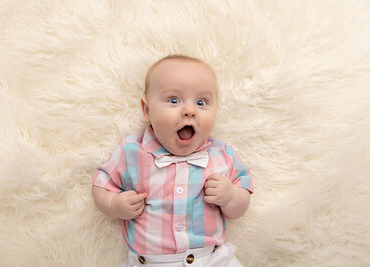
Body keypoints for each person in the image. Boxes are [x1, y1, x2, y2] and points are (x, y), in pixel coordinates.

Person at [92, 55, 253, 267]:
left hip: (211, 259)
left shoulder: (221, 154)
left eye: (201, 102)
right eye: (174, 100)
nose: (189, 110)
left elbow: (240, 206)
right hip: (149, 262)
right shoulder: (132, 151)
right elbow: (101, 185)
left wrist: (231, 197)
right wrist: (114, 204)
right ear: (147, 110)